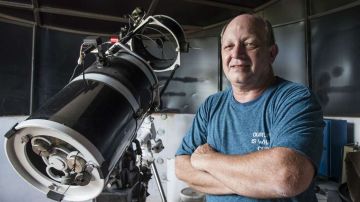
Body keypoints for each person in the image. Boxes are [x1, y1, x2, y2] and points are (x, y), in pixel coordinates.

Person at [175, 13, 324, 202]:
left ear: (271, 53)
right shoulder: (212, 105)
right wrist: (253, 183)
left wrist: (206, 160)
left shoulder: (295, 99)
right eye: (228, 46)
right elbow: (181, 165)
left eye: (249, 44)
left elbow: (287, 176)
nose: (236, 54)